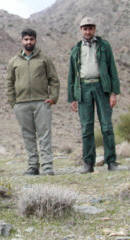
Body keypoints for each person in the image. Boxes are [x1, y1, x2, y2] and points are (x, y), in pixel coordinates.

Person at [68, 17, 120, 173]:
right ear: (81, 30)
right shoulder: (76, 50)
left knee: (107, 126)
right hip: (83, 88)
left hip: (102, 87)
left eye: (90, 28)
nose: (87, 31)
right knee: (86, 128)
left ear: (94, 29)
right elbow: (71, 75)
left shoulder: (104, 46)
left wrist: (113, 92)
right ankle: (88, 163)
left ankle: (111, 161)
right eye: (85, 28)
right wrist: (72, 97)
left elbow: (113, 70)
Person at [6, 28, 60, 176]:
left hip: (42, 102)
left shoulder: (44, 59)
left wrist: (53, 98)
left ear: (35, 40)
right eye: (26, 39)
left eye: (31, 39)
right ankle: (33, 166)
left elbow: (54, 80)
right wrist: (14, 103)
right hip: (21, 104)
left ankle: (48, 166)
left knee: (44, 135)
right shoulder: (14, 61)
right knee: (28, 136)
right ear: (22, 41)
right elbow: (9, 83)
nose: (28, 42)